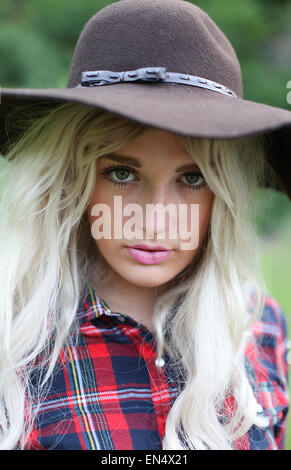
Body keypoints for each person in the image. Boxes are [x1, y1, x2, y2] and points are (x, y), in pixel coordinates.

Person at [0, 0, 290, 451]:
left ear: (223, 197)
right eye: (121, 173)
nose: (155, 219)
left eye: (193, 179)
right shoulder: (11, 341)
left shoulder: (261, 328)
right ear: (74, 180)